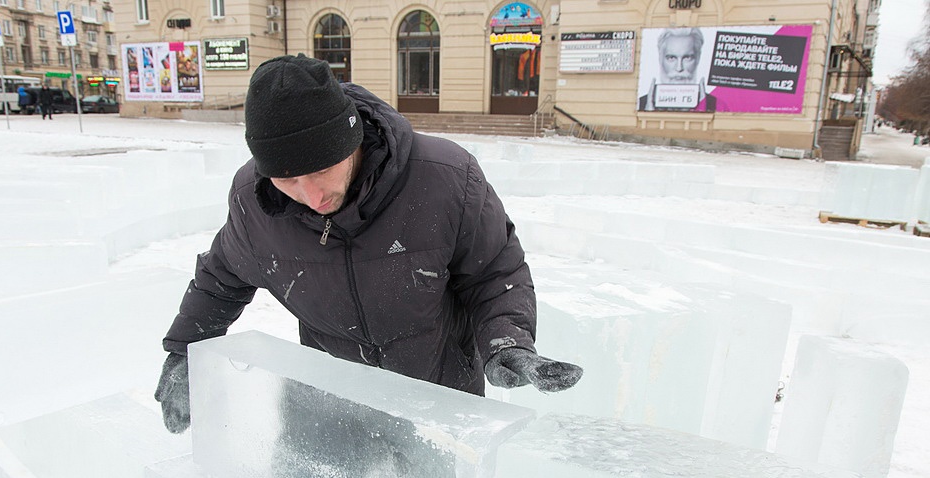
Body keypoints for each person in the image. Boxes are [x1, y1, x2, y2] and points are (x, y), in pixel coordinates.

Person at [154, 54, 582, 435]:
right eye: (288, 180)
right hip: (333, 400)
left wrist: (508, 339)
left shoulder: (446, 179)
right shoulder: (256, 204)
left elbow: (494, 272)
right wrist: (183, 354)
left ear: (351, 139)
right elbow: (220, 278)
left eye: (323, 169)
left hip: (439, 403)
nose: (312, 196)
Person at [638, 27, 716, 113]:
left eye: (687, 58)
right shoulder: (641, 104)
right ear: (660, 58)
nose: (679, 68)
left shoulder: (717, 105)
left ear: (698, 58)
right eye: (671, 58)